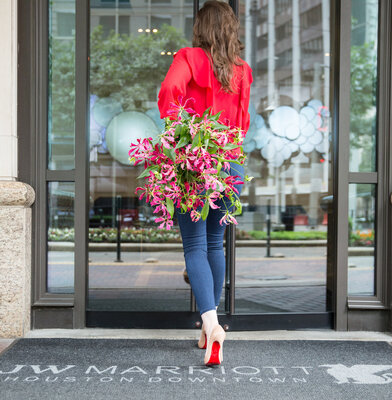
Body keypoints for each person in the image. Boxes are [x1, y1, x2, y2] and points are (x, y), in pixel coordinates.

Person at [157, 0, 253, 366]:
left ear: (201, 28)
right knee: (216, 243)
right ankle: (207, 327)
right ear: (230, 30)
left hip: (195, 161)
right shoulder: (242, 70)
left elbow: (169, 92)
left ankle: (212, 325)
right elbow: (242, 123)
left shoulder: (188, 57)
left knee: (194, 245)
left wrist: (181, 131)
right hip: (231, 162)